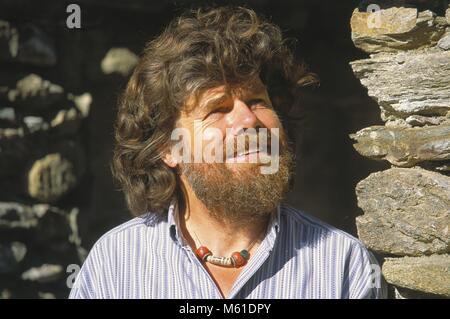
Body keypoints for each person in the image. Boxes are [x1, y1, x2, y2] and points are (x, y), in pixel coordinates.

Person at [69, 6, 386, 299]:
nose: (249, 120)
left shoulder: (342, 266)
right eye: (217, 109)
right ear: (168, 147)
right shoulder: (114, 266)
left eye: (258, 101)